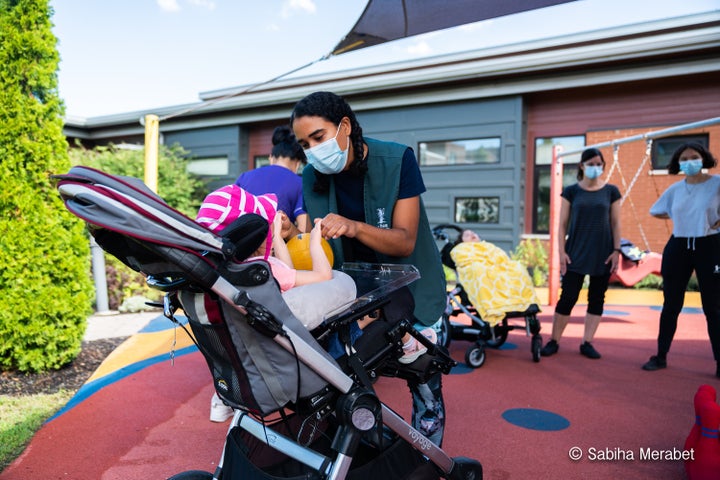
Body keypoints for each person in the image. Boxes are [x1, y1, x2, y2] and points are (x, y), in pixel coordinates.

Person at [290, 91, 448, 445]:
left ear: (344, 126)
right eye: (304, 144)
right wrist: (294, 238)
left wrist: (355, 226)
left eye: (319, 137)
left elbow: (405, 241)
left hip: (414, 286)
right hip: (355, 294)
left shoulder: (397, 160)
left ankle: (428, 455)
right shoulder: (311, 175)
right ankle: (364, 451)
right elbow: (319, 245)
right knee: (349, 379)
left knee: (423, 378)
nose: (313, 150)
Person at [195, 184, 358, 421]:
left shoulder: (223, 276)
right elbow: (322, 277)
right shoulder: (265, 271)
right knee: (343, 281)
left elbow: (286, 271)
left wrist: (276, 240)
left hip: (245, 360)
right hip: (278, 353)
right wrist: (314, 240)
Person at [641, 142, 720, 377]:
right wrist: (679, 215)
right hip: (679, 246)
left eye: (694, 157)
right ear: (678, 163)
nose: (689, 162)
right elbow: (656, 211)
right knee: (671, 305)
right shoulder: (674, 190)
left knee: (714, 308)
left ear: (703, 158)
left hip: (710, 245)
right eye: (684, 159)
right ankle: (660, 356)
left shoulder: (717, 183)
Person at [540, 147, 622, 360]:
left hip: (603, 253)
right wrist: (561, 253)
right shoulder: (571, 191)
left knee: (597, 298)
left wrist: (616, 250)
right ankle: (554, 340)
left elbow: (616, 223)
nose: (595, 167)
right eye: (591, 163)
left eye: (599, 164)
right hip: (575, 253)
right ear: (582, 166)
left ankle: (587, 342)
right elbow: (562, 225)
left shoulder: (611, 191)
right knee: (567, 298)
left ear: (603, 166)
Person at [236, 125, 309, 235]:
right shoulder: (300, 183)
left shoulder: (244, 177)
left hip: (240, 246)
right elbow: (303, 236)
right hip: (275, 249)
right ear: (298, 163)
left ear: (271, 158)